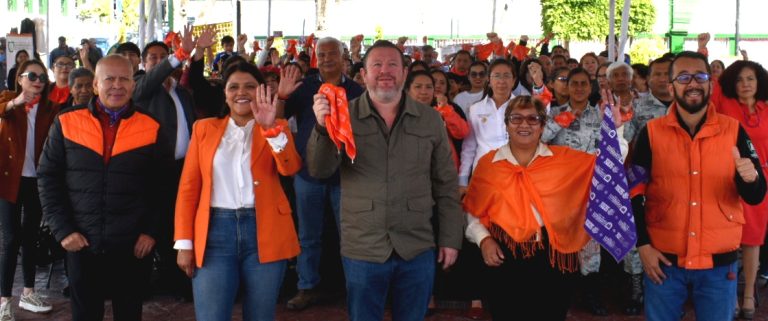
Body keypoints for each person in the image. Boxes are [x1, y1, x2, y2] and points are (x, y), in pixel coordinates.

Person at [306, 40, 464, 321]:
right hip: (363, 247)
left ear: (404, 73)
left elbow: (446, 185)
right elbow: (320, 170)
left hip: (416, 245)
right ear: (363, 75)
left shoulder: (429, 120)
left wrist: (451, 238)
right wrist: (322, 126)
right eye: (376, 65)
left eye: (392, 64)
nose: (385, 71)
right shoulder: (344, 115)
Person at [37, 55, 174, 321]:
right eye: (109, 79)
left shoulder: (151, 126)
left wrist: (151, 232)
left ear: (133, 85)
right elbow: (47, 178)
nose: (117, 85)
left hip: (133, 246)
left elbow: (166, 187)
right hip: (81, 244)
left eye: (124, 78)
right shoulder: (66, 122)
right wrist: (63, 230)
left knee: (129, 313)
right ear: (96, 85)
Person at [632, 51, 766, 321]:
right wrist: (643, 246)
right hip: (663, 262)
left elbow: (756, 195)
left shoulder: (734, 130)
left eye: (700, 76)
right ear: (671, 86)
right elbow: (635, 193)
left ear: (711, 84)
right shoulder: (651, 132)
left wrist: (750, 178)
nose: (692, 83)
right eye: (683, 77)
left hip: (720, 264)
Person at [464, 95, 614, 320]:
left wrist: (614, 128)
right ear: (506, 124)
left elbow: (608, 165)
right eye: (516, 118)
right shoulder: (488, 165)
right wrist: (483, 240)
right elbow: (473, 210)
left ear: (543, 126)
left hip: (552, 256)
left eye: (533, 119)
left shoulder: (563, 160)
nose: (524, 124)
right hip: (503, 255)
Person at [175, 62, 301, 321]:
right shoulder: (203, 128)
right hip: (213, 234)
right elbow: (188, 188)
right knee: (212, 315)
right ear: (224, 93)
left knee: (261, 315)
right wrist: (184, 243)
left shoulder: (277, 127)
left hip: (264, 229)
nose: (241, 92)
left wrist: (270, 129)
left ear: (262, 92)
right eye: (233, 87)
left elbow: (290, 168)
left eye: (250, 87)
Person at [278, 37, 364, 311]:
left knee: (349, 236)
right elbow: (279, 120)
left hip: (347, 175)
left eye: (332, 54)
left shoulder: (357, 91)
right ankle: (306, 287)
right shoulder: (303, 89)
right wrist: (281, 95)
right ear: (315, 58)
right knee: (308, 236)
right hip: (307, 174)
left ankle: (355, 290)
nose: (326, 59)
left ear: (342, 58)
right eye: (321, 54)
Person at [131, 27, 200, 299]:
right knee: (149, 226)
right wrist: (178, 54)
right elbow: (153, 78)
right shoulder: (141, 87)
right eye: (153, 58)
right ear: (144, 63)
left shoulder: (181, 92)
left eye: (164, 56)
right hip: (151, 171)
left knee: (177, 228)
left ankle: (177, 282)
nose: (159, 62)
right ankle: (141, 285)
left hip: (182, 170)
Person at [0, 60, 58, 320]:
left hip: (36, 181)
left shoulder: (51, 109)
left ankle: (28, 292)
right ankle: (4, 300)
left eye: (42, 77)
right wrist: (16, 102)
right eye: (32, 75)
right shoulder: (8, 100)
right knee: (11, 240)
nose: (37, 81)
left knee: (31, 237)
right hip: (8, 180)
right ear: (20, 78)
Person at [713, 60, 768, 319]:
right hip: (725, 179)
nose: (745, 84)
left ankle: (748, 296)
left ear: (759, 83)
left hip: (759, 181)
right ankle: (729, 295)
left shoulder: (766, 109)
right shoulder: (724, 103)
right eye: (739, 79)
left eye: (751, 79)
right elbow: (710, 84)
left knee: (753, 238)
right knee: (729, 238)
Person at [624, 57, 673, 142]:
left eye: (667, 74)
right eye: (657, 74)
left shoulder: (686, 106)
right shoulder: (635, 106)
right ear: (648, 78)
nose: (663, 79)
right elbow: (625, 138)